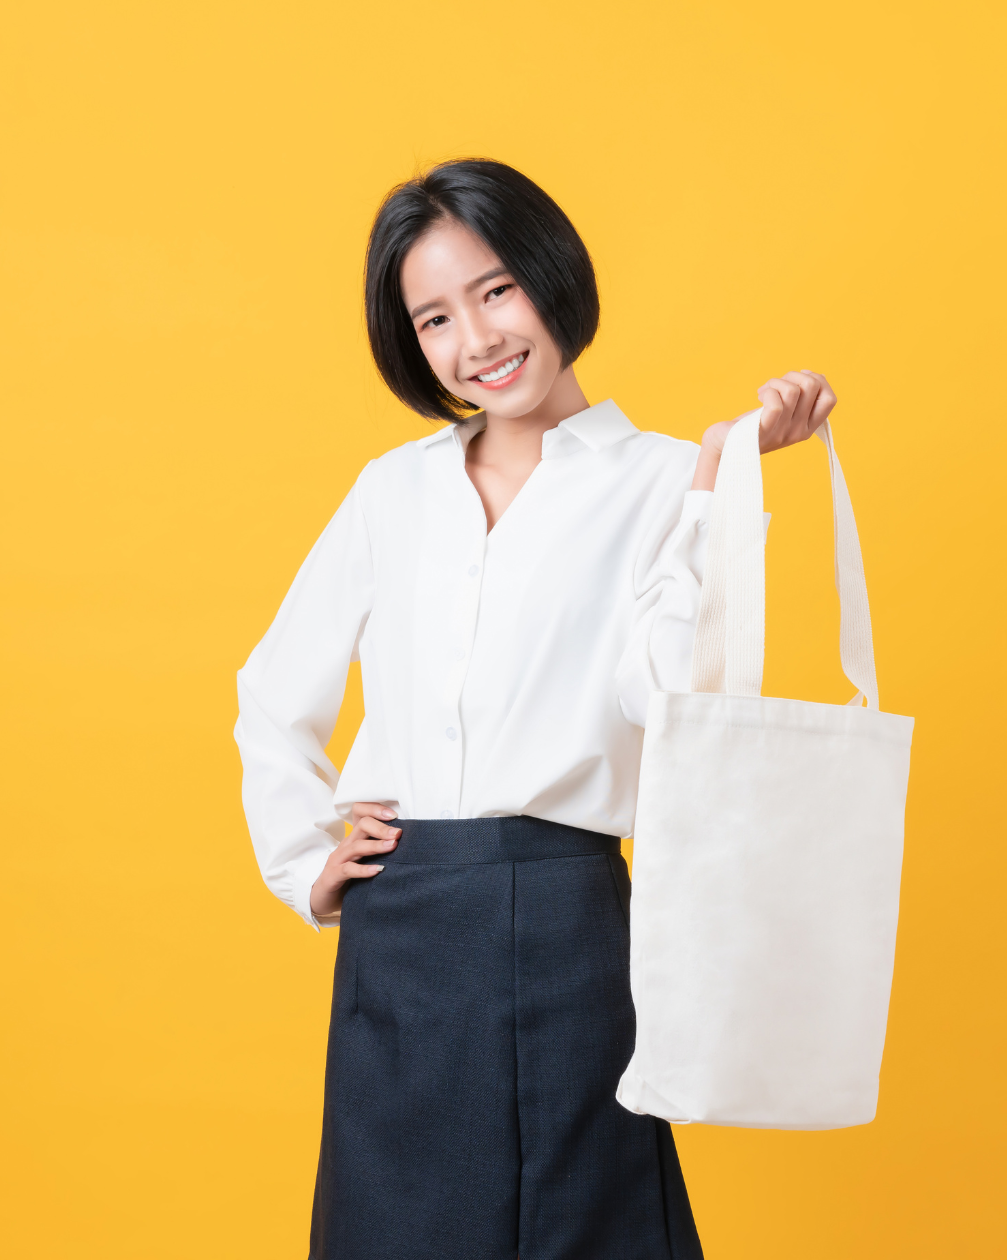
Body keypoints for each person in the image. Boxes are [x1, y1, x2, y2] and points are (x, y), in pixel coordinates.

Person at [234, 158, 835, 1260]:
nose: (476, 340)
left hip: (565, 917)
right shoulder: (393, 490)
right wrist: (302, 861)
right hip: (404, 920)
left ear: (553, 276)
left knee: (584, 1224)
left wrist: (716, 484)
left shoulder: (663, 479)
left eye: (496, 289)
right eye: (434, 318)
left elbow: (670, 704)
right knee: (395, 1228)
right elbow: (273, 692)